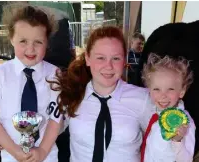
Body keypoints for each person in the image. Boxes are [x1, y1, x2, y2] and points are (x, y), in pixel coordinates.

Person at [37, 26, 186, 162]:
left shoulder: (143, 99)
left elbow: (164, 144)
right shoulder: (73, 94)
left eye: (116, 58)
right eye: (100, 58)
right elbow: (47, 127)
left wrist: (176, 137)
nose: (108, 66)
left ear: (124, 60)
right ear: (88, 58)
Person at [0, 4, 63, 162]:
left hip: (47, 157)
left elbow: (55, 119)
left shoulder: (54, 75)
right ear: (11, 39)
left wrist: (42, 151)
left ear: (47, 42)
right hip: (11, 156)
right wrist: (15, 151)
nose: (30, 49)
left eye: (38, 42)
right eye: (23, 41)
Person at [141, 53, 195, 162]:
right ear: (149, 90)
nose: (163, 95)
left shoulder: (185, 123)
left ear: (181, 92)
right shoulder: (153, 112)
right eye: (156, 89)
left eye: (170, 89)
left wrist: (177, 141)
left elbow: (187, 160)